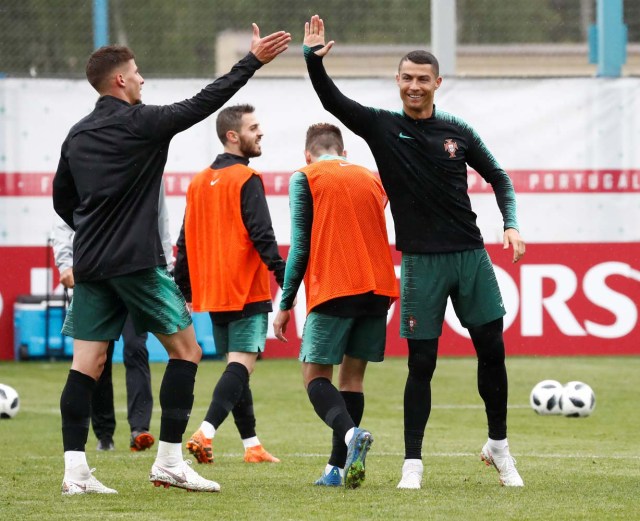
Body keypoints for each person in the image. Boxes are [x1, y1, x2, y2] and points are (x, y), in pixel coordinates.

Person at [52, 24, 291, 496]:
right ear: (119, 80)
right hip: (137, 264)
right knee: (187, 351)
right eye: (137, 74)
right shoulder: (144, 122)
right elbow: (206, 100)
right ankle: (168, 462)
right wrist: (252, 62)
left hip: (91, 264)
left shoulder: (77, 135)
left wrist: (96, 228)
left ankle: (75, 473)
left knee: (87, 364)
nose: (142, 81)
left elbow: (65, 202)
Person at [302, 15, 526, 489]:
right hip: (421, 264)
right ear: (398, 82)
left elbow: (500, 178)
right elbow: (333, 101)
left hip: (470, 257)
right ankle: (413, 465)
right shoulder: (381, 127)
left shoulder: (458, 131)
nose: (414, 86)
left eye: (423, 79)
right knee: (421, 363)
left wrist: (511, 223)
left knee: (493, 351)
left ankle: (499, 449)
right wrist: (314, 62)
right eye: (407, 78)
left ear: (437, 83)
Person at [272, 123, 399, 489]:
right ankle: (337, 469)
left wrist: (285, 302)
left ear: (307, 155)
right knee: (352, 379)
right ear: (344, 154)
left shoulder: (306, 177)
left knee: (315, 376)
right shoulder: (372, 179)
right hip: (378, 289)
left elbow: (300, 245)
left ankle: (350, 435)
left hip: (336, 286)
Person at [174, 104, 284, 466]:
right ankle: (205, 432)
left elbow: (184, 240)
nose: (260, 133)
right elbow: (262, 235)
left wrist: (185, 290)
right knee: (241, 366)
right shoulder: (246, 179)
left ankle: (252, 445)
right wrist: (287, 279)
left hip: (214, 294)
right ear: (233, 136)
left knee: (238, 368)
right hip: (246, 289)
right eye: (254, 128)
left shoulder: (198, 181)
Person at [52, 181, 173, 453]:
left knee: (135, 348)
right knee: (96, 358)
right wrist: (65, 262)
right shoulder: (90, 160)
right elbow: (63, 218)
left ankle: (139, 429)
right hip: (96, 275)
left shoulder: (149, 162)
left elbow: (160, 218)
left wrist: (167, 266)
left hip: (137, 272)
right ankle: (104, 434)